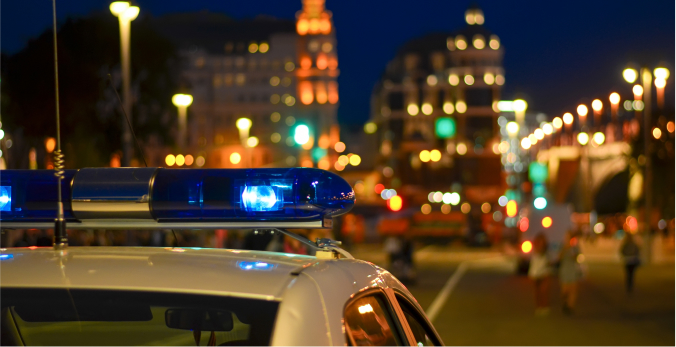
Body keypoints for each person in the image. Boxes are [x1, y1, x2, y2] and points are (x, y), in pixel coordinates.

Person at [559, 231, 583, 314]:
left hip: (573, 270)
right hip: (565, 270)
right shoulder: (563, 246)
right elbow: (559, 257)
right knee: (564, 290)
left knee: (573, 290)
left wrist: (572, 250)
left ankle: (570, 306)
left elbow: (577, 256)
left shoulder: (575, 247)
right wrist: (565, 249)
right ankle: (565, 302)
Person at [528, 232, 551, 316]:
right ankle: (538, 307)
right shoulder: (535, 250)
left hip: (544, 273)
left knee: (543, 291)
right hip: (535, 272)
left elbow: (548, 261)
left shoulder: (546, 251)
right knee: (536, 292)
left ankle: (544, 306)